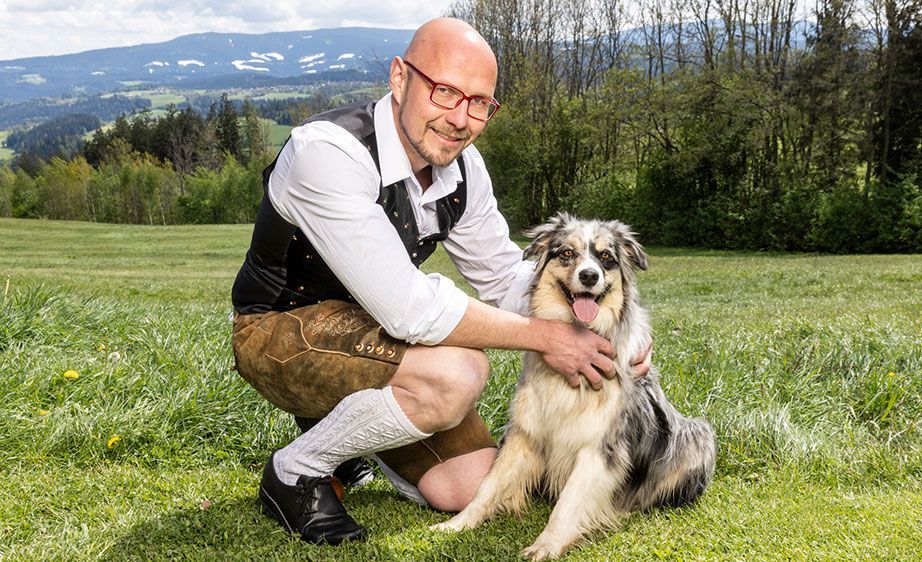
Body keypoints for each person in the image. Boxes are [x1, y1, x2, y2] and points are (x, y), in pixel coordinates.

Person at [230, 17, 648, 545]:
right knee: (457, 372)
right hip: (278, 329)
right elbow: (410, 309)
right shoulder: (328, 151)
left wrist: (612, 330)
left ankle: (348, 433)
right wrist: (551, 338)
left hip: (375, 338)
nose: (459, 119)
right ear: (401, 78)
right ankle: (296, 469)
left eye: (479, 103)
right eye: (445, 91)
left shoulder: (463, 169)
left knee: (467, 487)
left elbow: (506, 278)